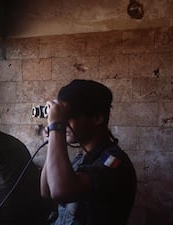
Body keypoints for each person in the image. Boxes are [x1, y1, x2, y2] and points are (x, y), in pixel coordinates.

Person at [40, 79, 137, 225]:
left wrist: (57, 127)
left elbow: (61, 191)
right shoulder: (83, 157)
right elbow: (46, 191)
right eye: (62, 118)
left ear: (97, 118)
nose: (64, 123)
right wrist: (52, 140)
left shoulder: (114, 162)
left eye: (69, 117)